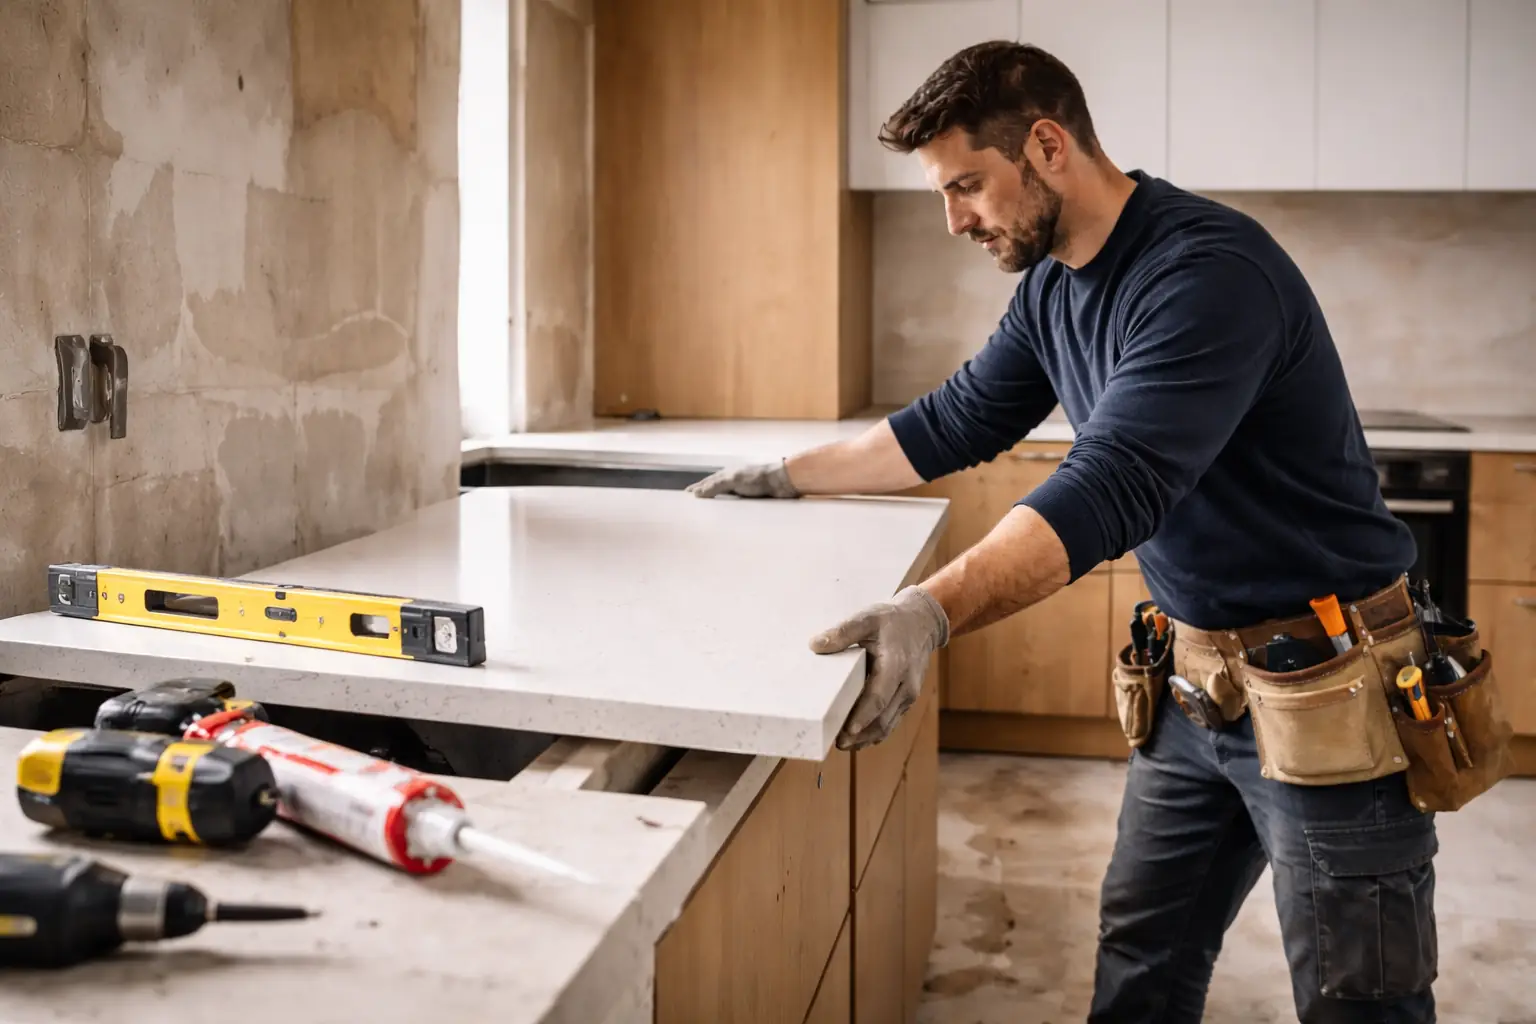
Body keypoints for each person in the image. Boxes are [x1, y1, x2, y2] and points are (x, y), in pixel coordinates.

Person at [685, 39, 1441, 1024]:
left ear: (1046, 146)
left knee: (1359, 997)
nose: (955, 219)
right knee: (1143, 961)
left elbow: (1114, 482)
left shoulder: (1208, 272)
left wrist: (929, 610)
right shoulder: (1051, 288)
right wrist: (784, 476)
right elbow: (950, 422)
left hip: (1331, 678)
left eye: (968, 186)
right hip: (1196, 685)